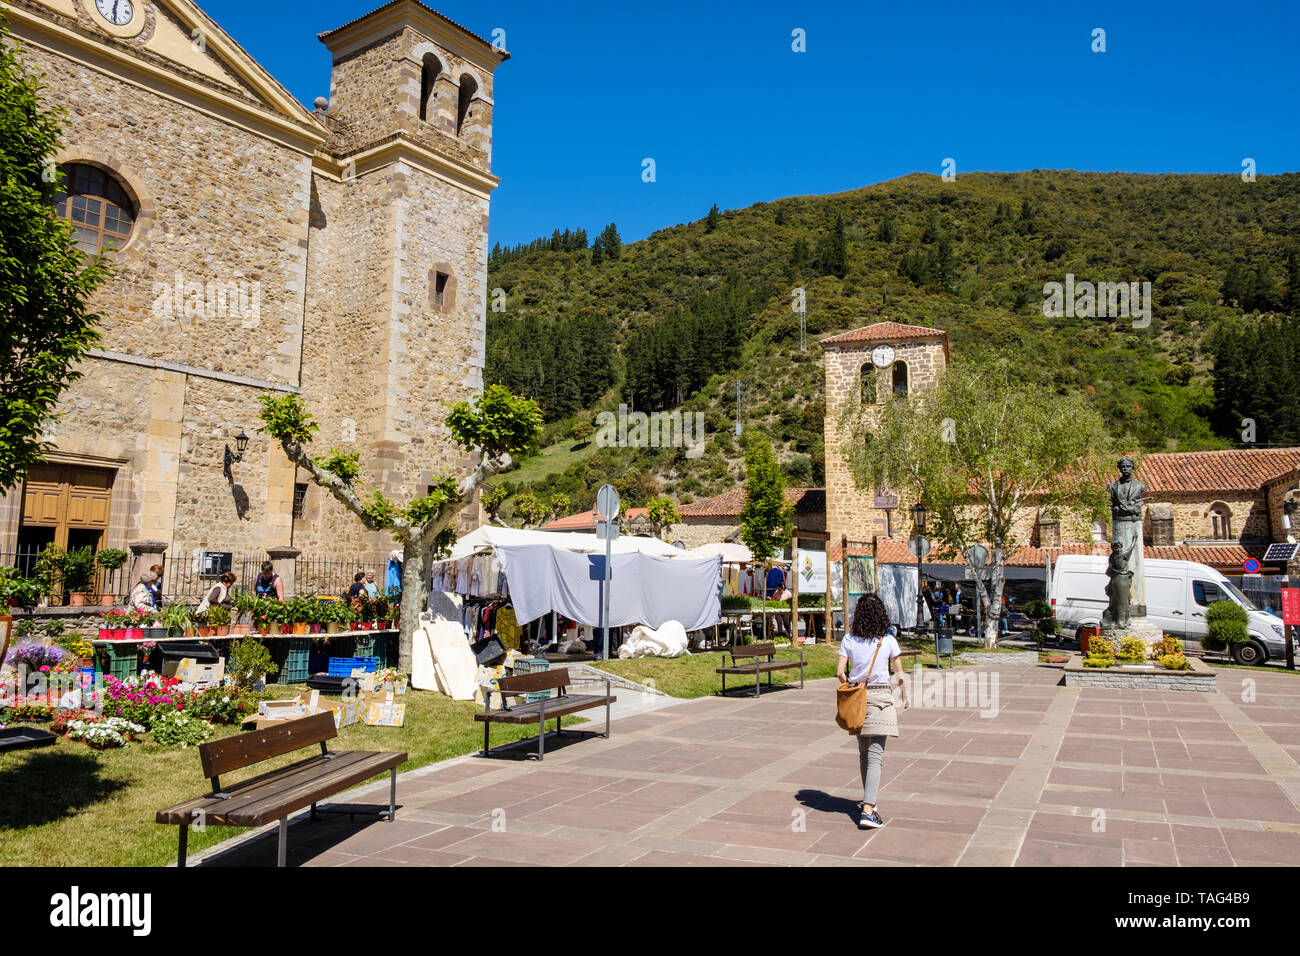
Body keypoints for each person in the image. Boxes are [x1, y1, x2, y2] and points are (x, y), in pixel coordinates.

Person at [835, 593, 908, 830]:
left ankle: (870, 802)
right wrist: (904, 693)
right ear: (881, 615)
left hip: (858, 697)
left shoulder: (848, 639)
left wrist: (852, 681)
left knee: (864, 754)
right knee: (876, 756)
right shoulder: (888, 641)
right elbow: (899, 674)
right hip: (880, 698)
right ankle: (868, 809)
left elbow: (839, 672)